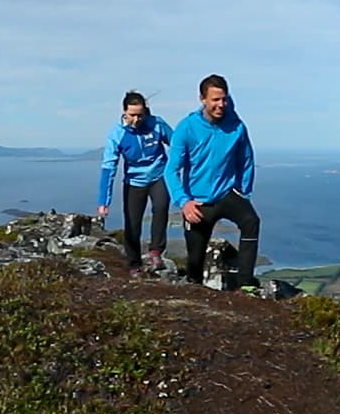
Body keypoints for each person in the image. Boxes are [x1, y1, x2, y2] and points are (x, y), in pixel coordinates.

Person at [165, 74, 259, 289]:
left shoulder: (236, 127)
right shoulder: (187, 127)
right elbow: (171, 171)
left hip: (227, 193)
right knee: (195, 260)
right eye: (215, 99)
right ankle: (194, 288)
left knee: (251, 221)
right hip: (198, 201)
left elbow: (246, 159)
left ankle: (246, 284)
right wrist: (184, 202)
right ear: (203, 99)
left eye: (224, 99)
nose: (221, 104)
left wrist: (244, 191)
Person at [97, 90, 173, 275]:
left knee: (161, 207)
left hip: (159, 175)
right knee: (132, 223)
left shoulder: (157, 124)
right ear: (124, 112)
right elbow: (108, 167)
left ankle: (156, 251)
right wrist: (104, 201)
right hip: (134, 181)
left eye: (140, 115)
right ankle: (134, 264)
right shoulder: (117, 134)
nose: (136, 120)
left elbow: (176, 143)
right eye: (132, 115)